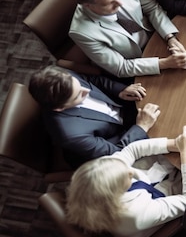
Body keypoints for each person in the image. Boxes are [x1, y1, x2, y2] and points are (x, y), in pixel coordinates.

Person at [66, 125, 186, 237]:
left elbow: (132, 150)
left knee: (163, 157)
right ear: (117, 191)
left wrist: (175, 144)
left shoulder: (99, 175)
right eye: (128, 176)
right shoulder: (136, 214)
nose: (131, 172)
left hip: (138, 197)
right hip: (146, 220)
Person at [70, 0, 186, 78]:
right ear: (88, 6)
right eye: (110, 3)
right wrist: (165, 63)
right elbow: (121, 67)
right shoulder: (81, 32)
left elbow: (151, 7)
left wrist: (170, 37)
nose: (120, 3)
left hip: (158, 34)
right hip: (139, 62)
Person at [28, 65, 160, 168]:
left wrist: (120, 91)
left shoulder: (61, 76)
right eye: (78, 95)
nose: (87, 91)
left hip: (124, 107)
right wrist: (141, 127)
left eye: (79, 86)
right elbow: (115, 153)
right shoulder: (70, 135)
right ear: (60, 108)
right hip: (117, 141)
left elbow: (91, 80)